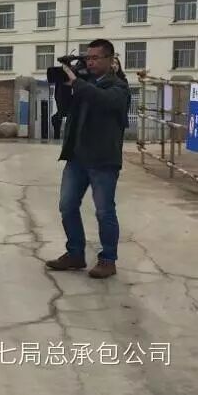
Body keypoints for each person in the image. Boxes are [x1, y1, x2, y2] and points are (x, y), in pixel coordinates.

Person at [46, 39, 130, 279]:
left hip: (103, 160)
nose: (90, 62)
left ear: (110, 60)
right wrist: (65, 85)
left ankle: (108, 260)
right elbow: (65, 108)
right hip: (77, 158)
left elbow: (103, 100)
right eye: (87, 58)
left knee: (104, 211)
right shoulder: (85, 84)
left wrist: (77, 82)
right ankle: (75, 254)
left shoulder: (119, 87)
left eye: (95, 58)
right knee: (67, 205)